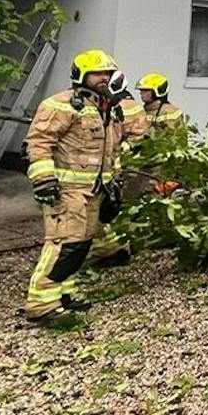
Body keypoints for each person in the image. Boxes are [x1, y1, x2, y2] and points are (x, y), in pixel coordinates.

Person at [22, 49, 133, 323]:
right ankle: (41, 305)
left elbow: (113, 151)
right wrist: (44, 179)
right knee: (64, 246)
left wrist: (115, 183)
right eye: (98, 73)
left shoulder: (109, 111)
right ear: (81, 76)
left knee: (81, 246)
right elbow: (38, 144)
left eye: (108, 73)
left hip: (94, 192)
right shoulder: (61, 105)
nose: (105, 78)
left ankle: (63, 294)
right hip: (65, 191)